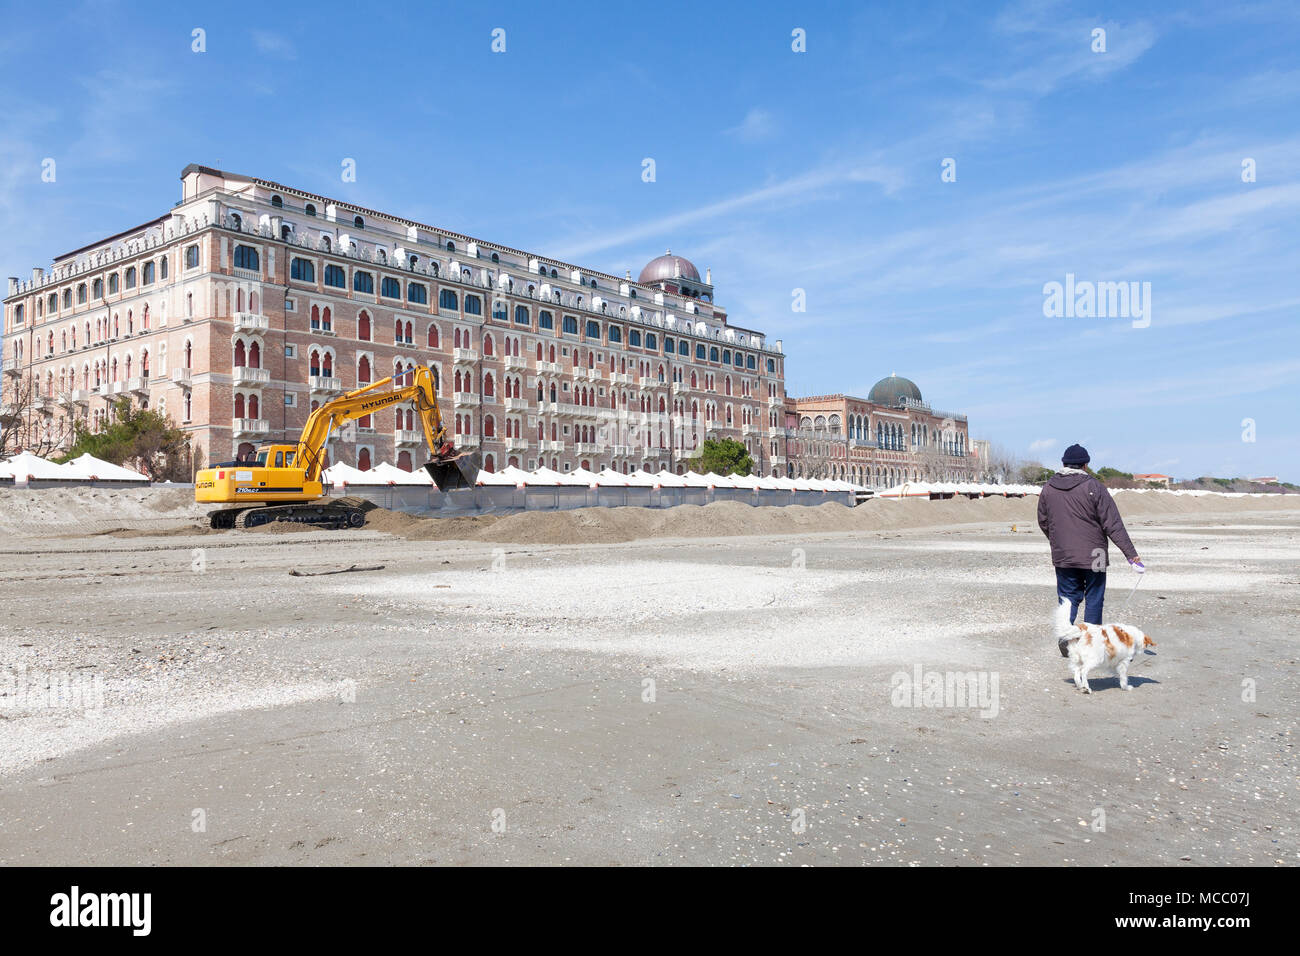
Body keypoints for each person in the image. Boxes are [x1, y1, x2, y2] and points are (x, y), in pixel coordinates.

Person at [1036, 444, 1145, 656]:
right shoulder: (1094, 486)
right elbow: (1112, 524)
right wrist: (1131, 556)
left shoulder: (1048, 487)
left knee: (1067, 597)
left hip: (1063, 554)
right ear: (1085, 465)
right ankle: (1092, 643)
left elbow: (1043, 520)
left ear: (1064, 464)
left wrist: (1057, 541)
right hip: (1095, 554)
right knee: (1094, 597)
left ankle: (1066, 636)